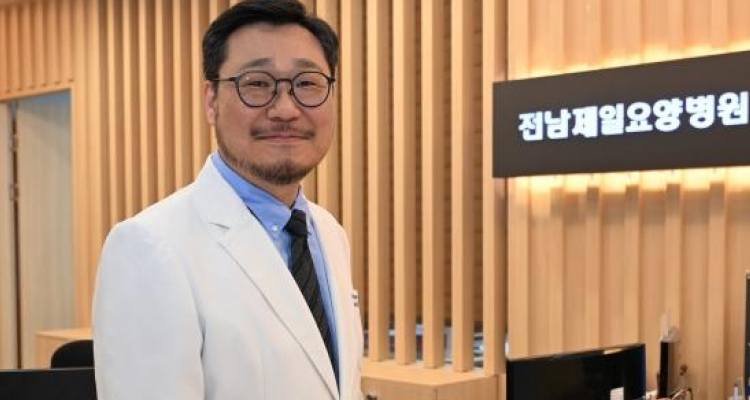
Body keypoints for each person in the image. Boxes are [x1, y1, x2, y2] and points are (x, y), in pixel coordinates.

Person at [92, 1, 363, 399]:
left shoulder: (329, 233)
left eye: (307, 83)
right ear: (211, 101)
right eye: (257, 83)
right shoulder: (148, 247)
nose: (285, 109)